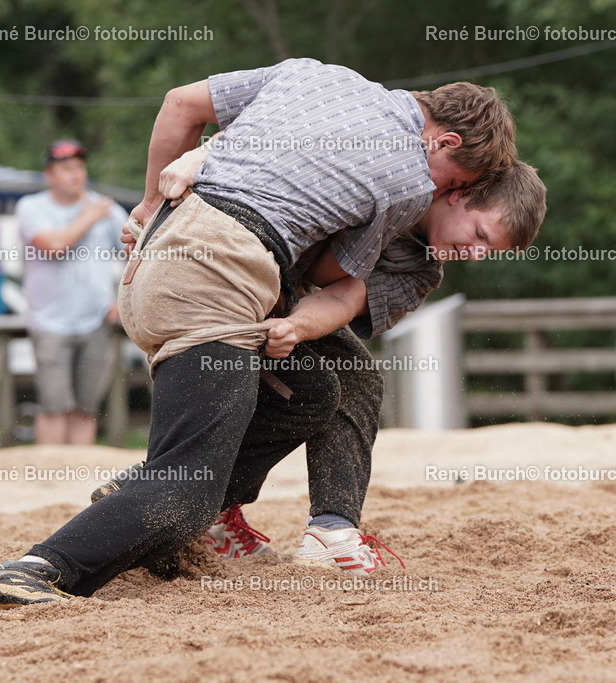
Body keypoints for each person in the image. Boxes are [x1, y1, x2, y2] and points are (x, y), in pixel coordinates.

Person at [0, 57, 520, 607]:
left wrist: (158, 199)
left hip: (166, 254)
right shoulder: (407, 180)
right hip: (221, 276)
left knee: (316, 390)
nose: (439, 190)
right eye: (459, 185)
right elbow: (336, 281)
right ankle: (41, 567)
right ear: (443, 146)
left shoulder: (320, 77)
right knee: (187, 488)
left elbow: (181, 103)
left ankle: (173, 502)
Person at [94, 160, 547, 578]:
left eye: (491, 252)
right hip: (218, 267)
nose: (475, 254)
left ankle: (307, 524)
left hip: (276, 291)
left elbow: (344, 299)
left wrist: (296, 326)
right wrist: (199, 159)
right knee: (321, 388)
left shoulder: (421, 270)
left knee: (344, 378)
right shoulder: (392, 176)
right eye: (482, 236)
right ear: (460, 195)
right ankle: (183, 496)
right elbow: (265, 138)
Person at [16, 139, 127, 445]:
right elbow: (53, 246)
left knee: (86, 409)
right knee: (53, 408)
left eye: (79, 166)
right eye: (66, 168)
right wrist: (88, 217)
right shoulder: (31, 207)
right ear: (49, 175)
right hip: (49, 322)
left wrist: (124, 299)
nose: (76, 174)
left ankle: (78, 482)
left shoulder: (108, 210)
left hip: (96, 321)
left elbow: (138, 254)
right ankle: (50, 480)